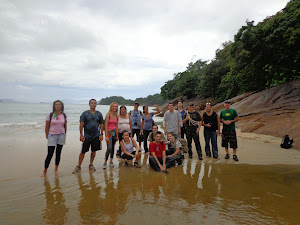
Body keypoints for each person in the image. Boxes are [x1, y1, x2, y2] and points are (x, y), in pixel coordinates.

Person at [73, 99, 104, 173]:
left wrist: (101, 134)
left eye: (94, 103)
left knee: (93, 151)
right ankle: (78, 166)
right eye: (92, 103)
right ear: (89, 104)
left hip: (96, 135)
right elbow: (81, 125)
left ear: (96, 105)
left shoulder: (99, 114)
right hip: (87, 136)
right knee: (83, 151)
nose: (93, 104)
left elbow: (101, 125)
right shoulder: (85, 114)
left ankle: (91, 164)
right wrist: (81, 135)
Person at [41, 100, 67, 177]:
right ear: (54, 106)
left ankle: (56, 170)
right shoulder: (50, 115)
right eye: (56, 104)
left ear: (62, 106)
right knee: (50, 154)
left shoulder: (64, 115)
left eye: (59, 104)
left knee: (58, 153)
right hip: (52, 135)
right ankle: (44, 172)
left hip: (61, 135)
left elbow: (65, 126)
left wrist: (65, 134)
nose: (58, 106)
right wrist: (47, 135)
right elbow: (46, 126)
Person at [103, 102, 119, 169]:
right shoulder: (108, 115)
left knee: (113, 147)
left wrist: (117, 136)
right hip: (109, 133)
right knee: (109, 148)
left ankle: (111, 161)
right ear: (111, 107)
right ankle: (105, 162)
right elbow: (105, 126)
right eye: (113, 106)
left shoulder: (117, 116)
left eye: (116, 106)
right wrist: (106, 135)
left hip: (114, 133)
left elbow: (117, 126)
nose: (114, 108)